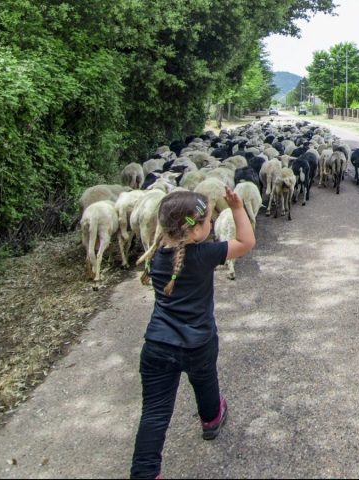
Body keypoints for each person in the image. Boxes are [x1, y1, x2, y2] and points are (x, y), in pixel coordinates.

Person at [130, 189, 256, 479]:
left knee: (154, 413)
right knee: (205, 380)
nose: (211, 225)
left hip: (157, 345)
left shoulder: (157, 255)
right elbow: (247, 241)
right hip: (198, 342)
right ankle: (211, 420)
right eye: (209, 221)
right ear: (196, 229)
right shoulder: (205, 254)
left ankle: (144, 473)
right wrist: (237, 208)